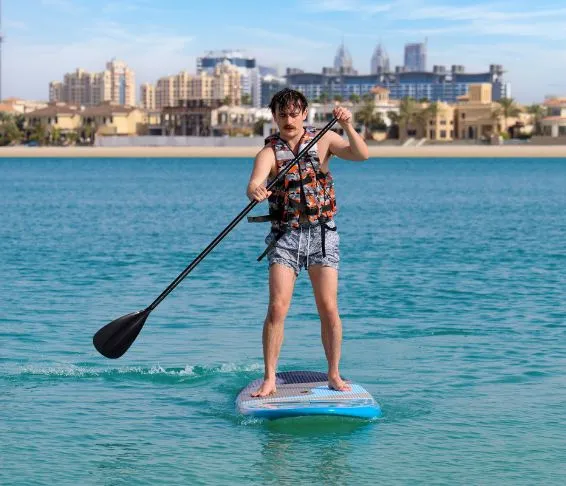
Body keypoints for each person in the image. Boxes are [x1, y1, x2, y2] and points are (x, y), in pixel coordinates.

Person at [246, 88, 368, 397]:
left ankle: (334, 374)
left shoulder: (324, 140)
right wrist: (256, 191)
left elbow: (361, 154)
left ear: (304, 114)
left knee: (328, 307)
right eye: (282, 114)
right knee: (277, 308)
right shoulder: (269, 152)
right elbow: (254, 184)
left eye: (294, 114)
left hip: (322, 235)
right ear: (274, 117)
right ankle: (270, 378)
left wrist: (348, 126)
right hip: (285, 238)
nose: (288, 120)